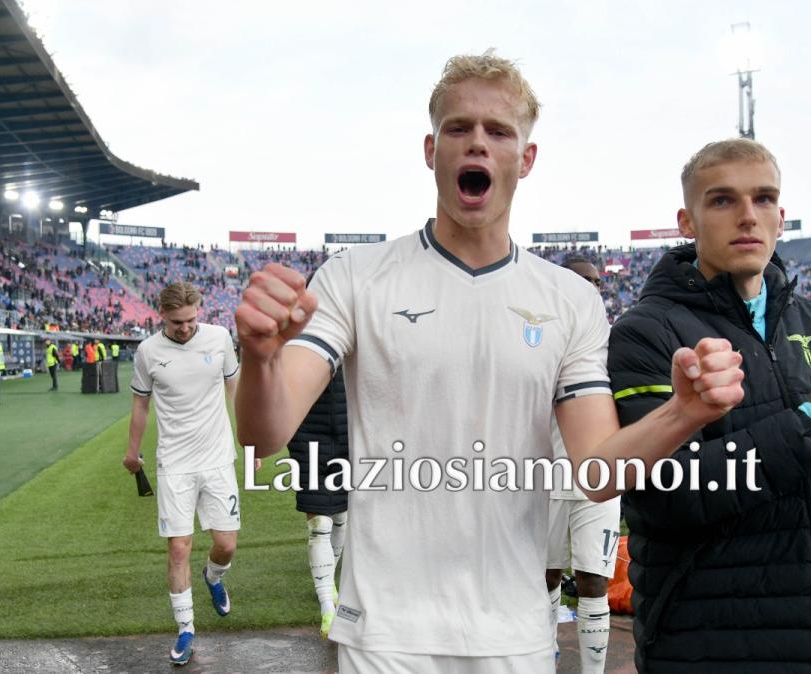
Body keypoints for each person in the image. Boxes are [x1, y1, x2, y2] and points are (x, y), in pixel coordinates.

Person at [234, 51, 744, 673]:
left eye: (498, 131)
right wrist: (260, 359)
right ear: (431, 150)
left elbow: (597, 472)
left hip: (514, 635)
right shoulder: (355, 278)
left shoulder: (570, 300)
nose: (477, 143)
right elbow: (264, 435)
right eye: (458, 128)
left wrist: (683, 413)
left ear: (524, 160)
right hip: (386, 635)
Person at [607, 138, 811, 673]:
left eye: (764, 198)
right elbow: (664, 497)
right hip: (701, 641)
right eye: (722, 200)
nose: (748, 216)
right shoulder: (646, 331)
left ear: (781, 215)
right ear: (687, 221)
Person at [123, 282, 243, 666]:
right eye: (177, 322)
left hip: (218, 458)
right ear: (162, 315)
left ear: (200, 311)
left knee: (226, 545)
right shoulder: (147, 352)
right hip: (174, 463)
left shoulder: (220, 338)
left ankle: (213, 577)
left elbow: (234, 390)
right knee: (178, 547)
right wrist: (131, 451)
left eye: (191, 319)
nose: (186, 328)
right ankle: (186, 628)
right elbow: (140, 405)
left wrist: (251, 439)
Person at [545, 257, 619, 674]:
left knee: (594, 581)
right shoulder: (537, 335)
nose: (592, 287)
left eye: (596, 281)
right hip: (546, 474)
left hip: (601, 479)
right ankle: (545, 657)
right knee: (547, 577)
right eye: (582, 280)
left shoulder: (615, 338)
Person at [285, 364, 349, 639]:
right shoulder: (297, 342)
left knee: (341, 518)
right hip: (308, 439)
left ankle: (329, 583)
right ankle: (327, 607)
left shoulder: (355, 334)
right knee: (319, 524)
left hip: (350, 439)